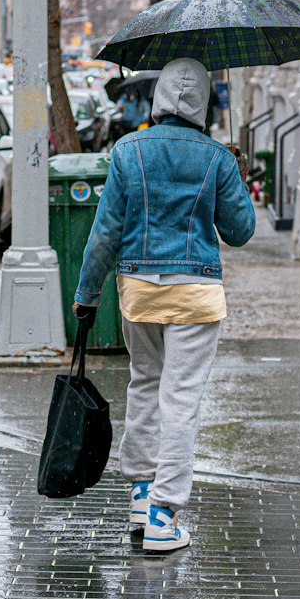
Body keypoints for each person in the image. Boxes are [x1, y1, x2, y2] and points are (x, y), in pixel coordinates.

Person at [73, 58, 255, 554]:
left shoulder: (129, 150)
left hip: (139, 292)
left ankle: (139, 494)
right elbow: (239, 232)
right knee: (182, 399)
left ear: (157, 99)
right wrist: (236, 173)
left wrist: (86, 295)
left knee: (146, 386)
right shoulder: (215, 157)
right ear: (204, 102)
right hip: (195, 293)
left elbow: (105, 232)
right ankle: (163, 514)